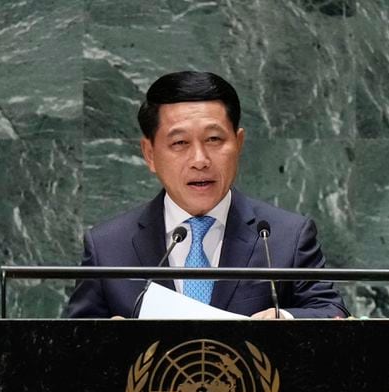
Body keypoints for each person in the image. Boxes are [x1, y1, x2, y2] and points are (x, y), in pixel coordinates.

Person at [65, 71, 348, 319]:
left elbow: (330, 311)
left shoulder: (286, 236)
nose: (200, 159)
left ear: (238, 143)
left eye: (214, 139)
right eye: (180, 143)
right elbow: (71, 343)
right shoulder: (108, 247)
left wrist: (284, 318)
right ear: (149, 154)